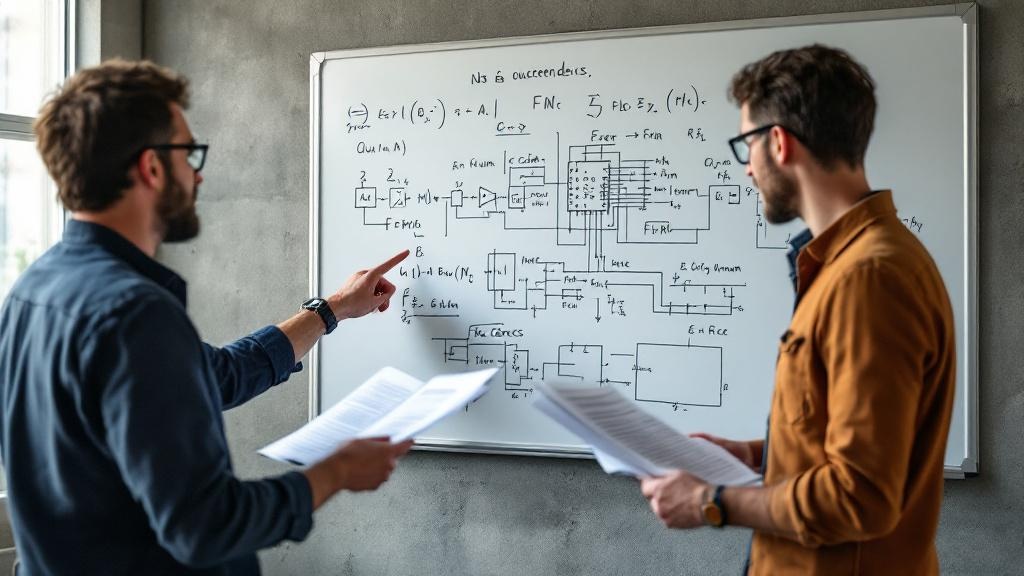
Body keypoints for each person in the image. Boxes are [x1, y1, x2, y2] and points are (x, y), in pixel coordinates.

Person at [0, 59, 414, 575]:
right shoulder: (135, 314)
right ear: (151, 167)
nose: (198, 173)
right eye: (189, 154)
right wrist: (334, 474)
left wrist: (329, 311)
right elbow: (204, 526)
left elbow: (215, 376)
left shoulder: (33, 290)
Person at [639, 45, 956, 575]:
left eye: (747, 146)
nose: (747, 172)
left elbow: (860, 495)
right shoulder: (858, 261)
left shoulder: (867, 279)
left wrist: (709, 501)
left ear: (779, 143)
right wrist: (753, 455)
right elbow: (847, 441)